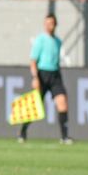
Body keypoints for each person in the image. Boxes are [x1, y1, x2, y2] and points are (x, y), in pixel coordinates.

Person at [20, 13, 71, 143]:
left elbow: (56, 61)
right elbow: (33, 61)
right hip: (42, 74)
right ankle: (23, 132)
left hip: (55, 74)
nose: (49, 26)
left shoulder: (58, 41)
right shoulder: (40, 40)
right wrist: (35, 77)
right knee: (35, 106)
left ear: (55, 24)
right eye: (47, 23)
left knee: (62, 103)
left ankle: (64, 136)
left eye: (51, 23)